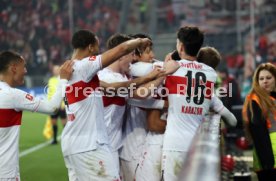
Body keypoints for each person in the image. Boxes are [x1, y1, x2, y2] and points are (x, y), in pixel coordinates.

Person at [60, 29, 157, 181]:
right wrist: (159, 74)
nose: (133, 60)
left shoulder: (97, 77)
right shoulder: (98, 72)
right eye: (131, 54)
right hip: (96, 146)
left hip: (94, 144)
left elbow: (116, 87)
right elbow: (139, 92)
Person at [133, 46, 237, 181]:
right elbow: (154, 123)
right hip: (180, 146)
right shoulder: (208, 93)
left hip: (167, 146)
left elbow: (134, 71)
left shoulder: (167, 74)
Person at [0, 50, 73, 180]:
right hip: (5, 173)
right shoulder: (12, 95)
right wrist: (63, 80)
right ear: (13, 68)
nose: (26, 71)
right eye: (24, 67)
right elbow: (52, 108)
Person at [162, 26, 218, 181]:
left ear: (180, 46)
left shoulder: (171, 69)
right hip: (199, 145)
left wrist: (166, 66)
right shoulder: (211, 74)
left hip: (175, 144)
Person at [243, 63, 276, 181]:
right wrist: (268, 162)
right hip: (269, 161)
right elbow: (258, 132)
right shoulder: (255, 101)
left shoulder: (272, 98)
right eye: (261, 79)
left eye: (268, 78)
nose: (265, 81)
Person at [47, 65, 67, 144]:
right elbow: (50, 92)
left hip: (61, 105)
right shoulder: (51, 80)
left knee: (64, 123)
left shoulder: (62, 79)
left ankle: (67, 139)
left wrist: (63, 104)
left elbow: (64, 92)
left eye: (57, 69)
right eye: (54, 70)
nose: (55, 71)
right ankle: (54, 139)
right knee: (54, 122)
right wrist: (49, 103)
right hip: (53, 106)